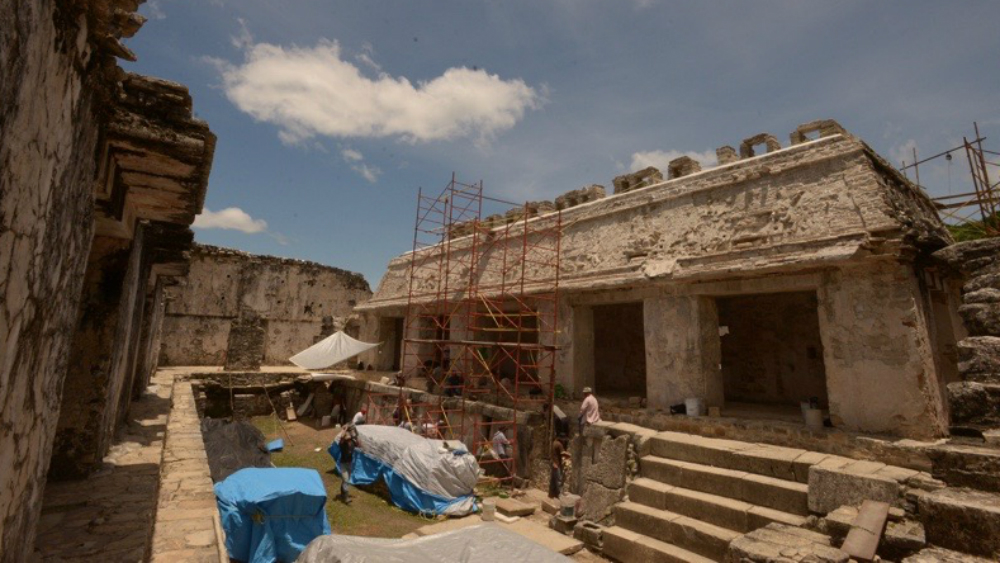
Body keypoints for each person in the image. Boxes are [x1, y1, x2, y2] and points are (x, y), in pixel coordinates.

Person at [337, 425, 359, 504]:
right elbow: (341, 438)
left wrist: (356, 435)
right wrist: (345, 429)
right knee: (346, 480)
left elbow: (359, 444)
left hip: (350, 463)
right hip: (343, 464)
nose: (348, 438)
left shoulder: (353, 443)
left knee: (345, 480)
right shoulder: (342, 444)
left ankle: (342, 494)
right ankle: (346, 498)